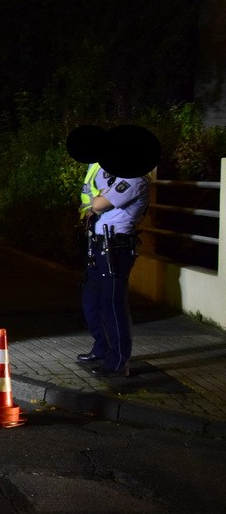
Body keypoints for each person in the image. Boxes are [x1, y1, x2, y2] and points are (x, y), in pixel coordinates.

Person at [70, 124, 158, 378]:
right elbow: (96, 197)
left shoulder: (135, 179)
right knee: (92, 302)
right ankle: (101, 349)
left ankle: (118, 362)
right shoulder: (118, 175)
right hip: (98, 246)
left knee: (112, 305)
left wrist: (98, 201)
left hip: (115, 248)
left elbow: (98, 203)